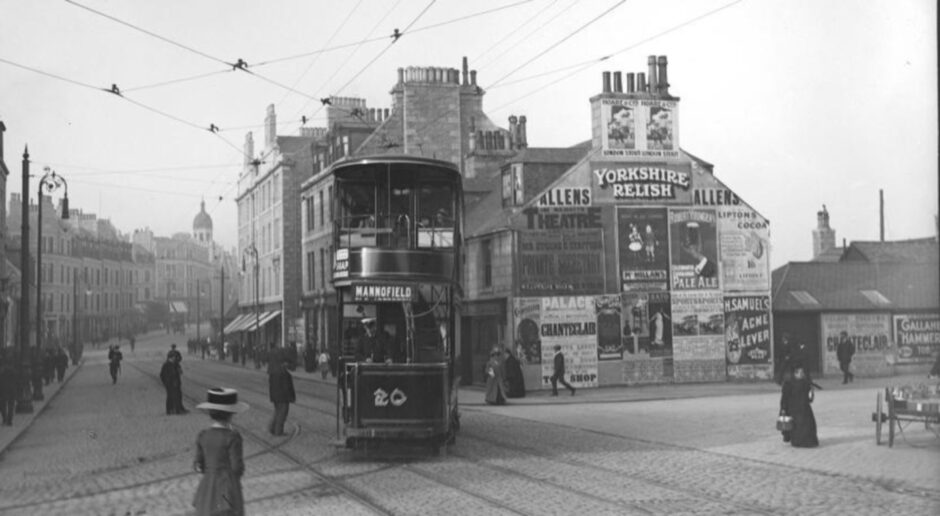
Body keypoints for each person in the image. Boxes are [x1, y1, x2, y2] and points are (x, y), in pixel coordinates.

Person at [192, 387, 248, 516]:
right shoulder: (232, 437)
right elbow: (237, 467)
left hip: (207, 486)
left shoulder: (203, 435)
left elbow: (199, 464)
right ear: (230, 414)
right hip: (226, 487)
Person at [780, 366, 818, 448]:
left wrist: (811, 394)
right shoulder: (788, 384)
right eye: (798, 373)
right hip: (794, 409)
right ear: (794, 374)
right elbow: (784, 398)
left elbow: (809, 399)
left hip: (805, 408)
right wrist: (783, 408)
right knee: (797, 426)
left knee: (808, 425)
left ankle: (809, 441)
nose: (801, 374)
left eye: (802, 373)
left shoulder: (806, 383)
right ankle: (798, 441)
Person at [268, 351, 296, 436]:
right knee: (282, 413)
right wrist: (291, 397)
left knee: (277, 411)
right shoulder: (283, 373)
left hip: (275, 395)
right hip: (283, 396)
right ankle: (278, 431)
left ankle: (272, 428)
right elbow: (287, 387)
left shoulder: (273, 371)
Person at [0, 350, 19, 426]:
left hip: (3, 388)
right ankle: (9, 420)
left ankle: (5, 418)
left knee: (3, 404)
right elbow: (16, 379)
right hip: (11, 388)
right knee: (11, 405)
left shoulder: (2, 371)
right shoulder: (13, 370)